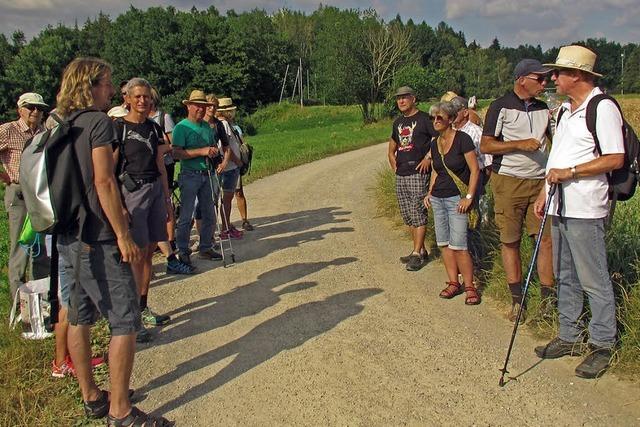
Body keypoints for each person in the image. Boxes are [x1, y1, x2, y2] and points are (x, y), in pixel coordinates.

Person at [54, 57, 171, 425]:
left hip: (68, 235)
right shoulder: (98, 123)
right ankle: (121, 411)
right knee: (124, 321)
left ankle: (92, 397)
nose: (110, 90)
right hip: (99, 236)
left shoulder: (60, 124)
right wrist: (123, 234)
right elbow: (104, 182)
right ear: (91, 86)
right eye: (106, 83)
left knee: (80, 317)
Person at [533, 46, 624, 379]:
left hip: (586, 207)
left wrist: (569, 173)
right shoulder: (565, 111)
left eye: (559, 72)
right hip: (559, 204)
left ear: (579, 76)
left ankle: (602, 344)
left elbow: (615, 158)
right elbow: (556, 156)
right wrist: (545, 193)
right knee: (565, 275)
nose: (552, 78)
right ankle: (570, 336)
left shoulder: (602, 108)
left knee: (593, 278)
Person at [480, 59, 555, 323]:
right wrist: (519, 144)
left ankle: (547, 301)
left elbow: (555, 143)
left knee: (544, 241)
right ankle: (517, 300)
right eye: (540, 79)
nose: (545, 84)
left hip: (539, 183)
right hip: (509, 181)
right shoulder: (500, 106)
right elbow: (487, 145)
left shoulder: (544, 108)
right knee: (510, 240)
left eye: (547, 79)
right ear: (522, 79)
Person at [114, 78, 173, 343]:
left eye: (147, 97)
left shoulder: (153, 127)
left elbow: (160, 163)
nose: (143, 101)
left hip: (154, 190)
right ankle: (132, 320)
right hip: (132, 193)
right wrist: (119, 206)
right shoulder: (118, 128)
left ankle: (142, 306)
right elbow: (110, 171)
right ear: (127, 98)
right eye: (137, 97)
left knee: (149, 253)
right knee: (135, 256)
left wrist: (167, 197)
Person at [423, 101, 480, 305]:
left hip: (457, 199)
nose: (435, 121)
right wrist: (429, 193)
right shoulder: (434, 143)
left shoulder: (462, 139)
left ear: (449, 119)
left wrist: (469, 197)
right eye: (433, 118)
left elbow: (475, 169)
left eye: (439, 117)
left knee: (460, 245)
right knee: (444, 244)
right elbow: (437, 170)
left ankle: (470, 285)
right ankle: (453, 282)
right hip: (438, 198)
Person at [0, 92, 50, 303]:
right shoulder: (8, 130)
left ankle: (40, 301)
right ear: (20, 108)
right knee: (21, 247)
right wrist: (6, 176)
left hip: (40, 193)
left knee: (40, 248)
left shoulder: (44, 131)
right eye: (31, 107)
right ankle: (19, 304)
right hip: (19, 192)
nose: (36, 111)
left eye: (40, 108)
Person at [388, 86, 436, 271]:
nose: (401, 101)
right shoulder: (398, 122)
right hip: (402, 174)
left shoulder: (424, 119)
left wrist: (428, 158)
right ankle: (420, 249)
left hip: (418, 173)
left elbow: (439, 140)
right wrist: (394, 164)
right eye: (398, 98)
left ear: (413, 99)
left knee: (418, 211)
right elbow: (392, 146)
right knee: (408, 214)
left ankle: (416, 254)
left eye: (405, 98)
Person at [172, 90, 222, 265]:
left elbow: (211, 146)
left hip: (207, 173)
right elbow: (176, 153)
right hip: (189, 175)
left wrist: (213, 151)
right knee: (186, 216)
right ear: (189, 106)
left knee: (209, 213)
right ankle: (183, 251)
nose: (201, 109)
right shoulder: (181, 127)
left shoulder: (207, 127)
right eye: (197, 106)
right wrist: (201, 152)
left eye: (204, 106)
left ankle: (206, 247)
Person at [148, 87, 194, 275]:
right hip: (145, 172)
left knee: (165, 205)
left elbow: (173, 144)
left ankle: (170, 241)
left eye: (147, 97)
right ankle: (163, 249)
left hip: (164, 165)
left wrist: (156, 147)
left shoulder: (162, 118)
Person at [215, 97, 245, 240]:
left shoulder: (219, 123)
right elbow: (226, 147)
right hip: (230, 166)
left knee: (224, 199)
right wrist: (237, 161)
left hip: (226, 166)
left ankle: (226, 226)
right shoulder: (225, 124)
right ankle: (225, 228)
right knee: (226, 199)